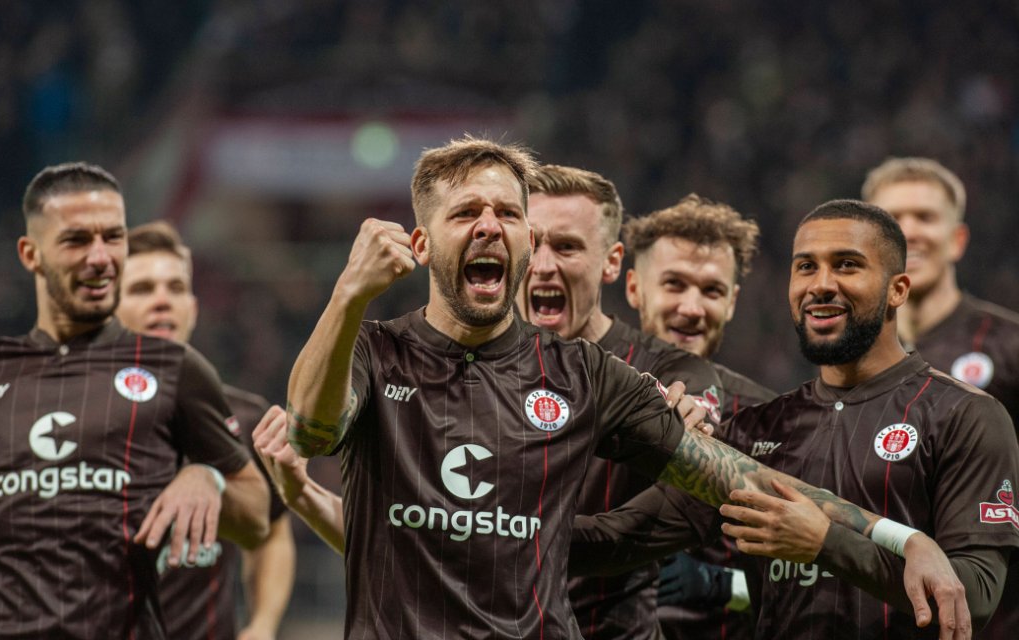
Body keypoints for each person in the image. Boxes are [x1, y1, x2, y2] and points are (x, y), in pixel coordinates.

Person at [284, 136, 970, 639]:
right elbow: (312, 429)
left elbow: (744, 479)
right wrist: (349, 294)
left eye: (507, 212)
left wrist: (902, 538)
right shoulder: (376, 351)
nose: (489, 225)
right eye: (466, 213)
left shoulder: (585, 377)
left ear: (525, 239)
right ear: (423, 243)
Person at [572, 199, 1019, 639]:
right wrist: (509, 523)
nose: (821, 284)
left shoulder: (965, 415)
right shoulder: (754, 429)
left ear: (897, 289)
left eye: (846, 265)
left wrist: (826, 543)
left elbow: (975, 596)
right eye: (805, 267)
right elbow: (620, 538)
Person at [0, 162, 270, 638]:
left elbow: (256, 518)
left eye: (113, 237)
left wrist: (207, 476)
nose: (101, 257)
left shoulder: (173, 367)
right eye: (77, 240)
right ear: (30, 254)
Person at [517, 166, 724, 639]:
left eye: (566, 246)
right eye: (531, 244)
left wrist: (514, 535)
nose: (544, 264)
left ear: (611, 263)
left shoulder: (673, 374)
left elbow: (691, 505)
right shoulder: (475, 365)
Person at [115, 221, 295, 640]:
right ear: (109, 306)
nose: (163, 301)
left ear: (194, 308)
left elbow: (272, 532)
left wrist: (263, 625)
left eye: (176, 288)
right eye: (142, 289)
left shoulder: (246, 418)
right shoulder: (81, 412)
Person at [863, 157, 1019, 639]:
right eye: (894, 220)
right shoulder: (848, 360)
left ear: (957, 239)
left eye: (925, 217)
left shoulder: (1009, 346)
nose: (909, 233)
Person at [622, 195, 777, 639]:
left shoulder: (765, 418)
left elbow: (802, 583)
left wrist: (721, 586)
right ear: (634, 288)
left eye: (711, 291)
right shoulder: (586, 391)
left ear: (731, 303)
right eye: (674, 284)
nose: (692, 308)